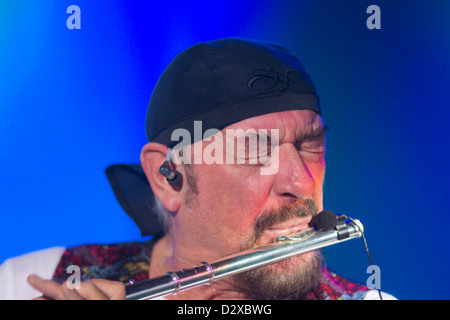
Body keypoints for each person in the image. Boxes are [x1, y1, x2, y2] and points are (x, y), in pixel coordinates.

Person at [0, 37, 396, 300]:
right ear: (168, 177)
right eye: (256, 150)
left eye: (310, 145)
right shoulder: (31, 279)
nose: (301, 182)